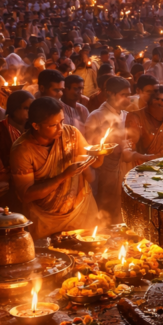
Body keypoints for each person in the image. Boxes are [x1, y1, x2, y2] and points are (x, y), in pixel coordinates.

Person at [10, 97, 101, 238]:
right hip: (45, 220)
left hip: (80, 212)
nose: (60, 128)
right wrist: (64, 176)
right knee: (52, 258)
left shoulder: (71, 134)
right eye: (53, 125)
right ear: (36, 126)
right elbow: (26, 195)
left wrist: (101, 152)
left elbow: (94, 167)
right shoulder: (22, 150)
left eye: (62, 121)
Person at [84, 76, 132, 227]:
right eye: (123, 95)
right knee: (106, 215)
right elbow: (89, 150)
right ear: (110, 93)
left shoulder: (126, 115)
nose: (128, 99)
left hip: (125, 171)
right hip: (104, 174)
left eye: (128, 95)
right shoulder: (96, 117)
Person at [0, 90, 31, 209]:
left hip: (29, 187)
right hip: (6, 192)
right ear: (14, 109)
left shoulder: (33, 129)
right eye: (26, 108)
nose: (30, 113)